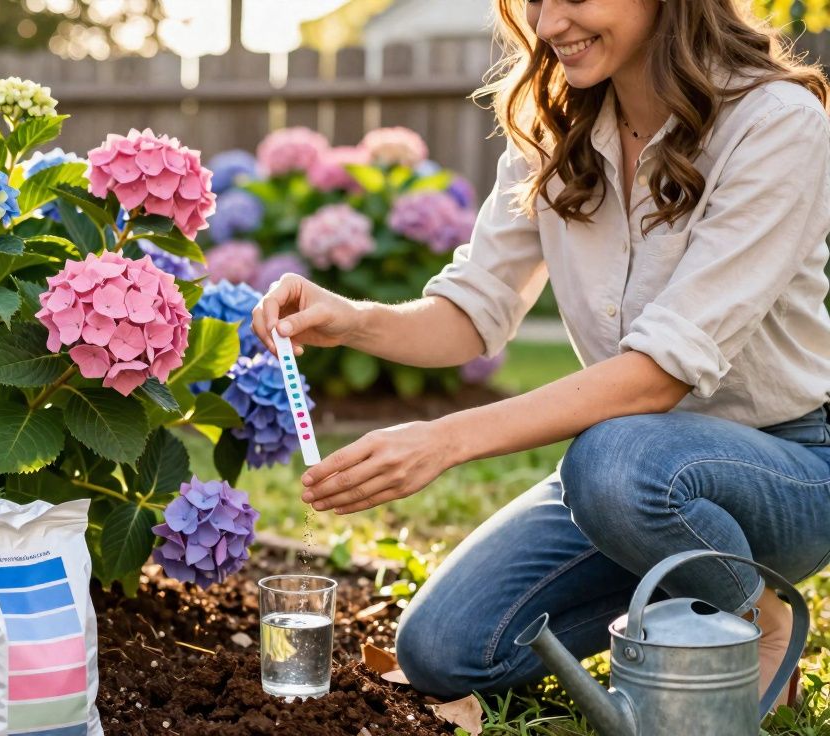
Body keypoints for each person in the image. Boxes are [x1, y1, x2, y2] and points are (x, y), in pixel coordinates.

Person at [251, 0, 830, 705]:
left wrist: (442, 441)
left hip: (784, 473)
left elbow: (660, 376)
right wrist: (355, 319)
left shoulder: (775, 123)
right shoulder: (557, 126)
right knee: (442, 648)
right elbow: (473, 310)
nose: (550, 23)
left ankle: (757, 620)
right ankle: (673, 593)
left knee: (613, 458)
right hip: (626, 490)